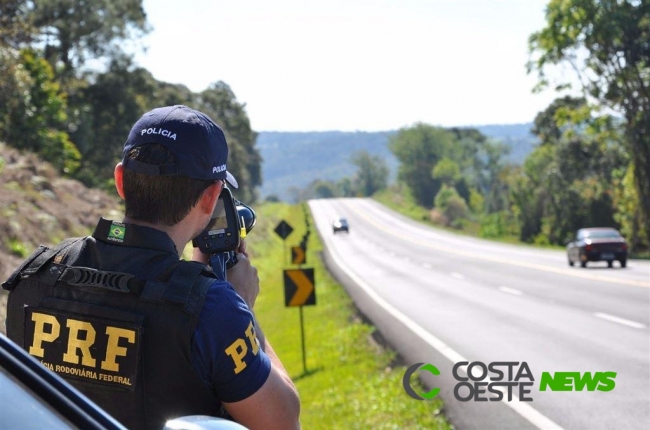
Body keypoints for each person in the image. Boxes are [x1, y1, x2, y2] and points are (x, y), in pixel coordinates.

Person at [2, 105, 301, 430]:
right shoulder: (213, 309)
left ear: (120, 180)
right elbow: (283, 421)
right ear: (211, 196)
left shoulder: (37, 274)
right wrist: (243, 308)